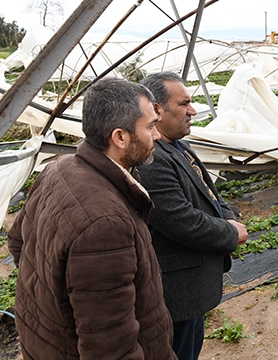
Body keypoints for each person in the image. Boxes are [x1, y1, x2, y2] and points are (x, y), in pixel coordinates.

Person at [7, 78, 176, 359]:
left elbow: (17, 244)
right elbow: (110, 348)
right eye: (149, 127)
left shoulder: (58, 169)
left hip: (44, 342)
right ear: (120, 137)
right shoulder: (105, 224)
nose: (157, 135)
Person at [138, 72, 248, 360]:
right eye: (184, 103)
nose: (193, 110)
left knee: (191, 347)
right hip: (176, 291)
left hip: (191, 287)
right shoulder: (153, 158)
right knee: (179, 351)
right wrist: (230, 233)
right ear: (157, 110)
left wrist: (228, 216)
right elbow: (181, 221)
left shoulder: (179, 146)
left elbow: (210, 194)